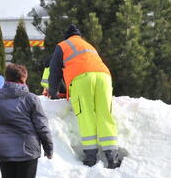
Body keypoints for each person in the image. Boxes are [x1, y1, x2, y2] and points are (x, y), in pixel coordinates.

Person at [48, 24, 121, 168]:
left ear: (66, 36)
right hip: (104, 76)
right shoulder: (88, 45)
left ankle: (90, 157)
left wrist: (53, 93)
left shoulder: (62, 46)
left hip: (82, 79)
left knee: (86, 114)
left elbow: (54, 72)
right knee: (105, 113)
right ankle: (112, 157)